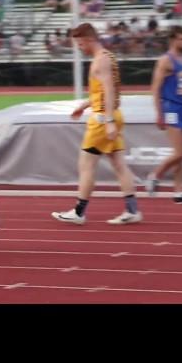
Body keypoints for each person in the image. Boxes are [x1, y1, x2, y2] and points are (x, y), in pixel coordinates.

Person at [51, 23, 142, 225]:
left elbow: (109, 90)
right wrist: (84, 106)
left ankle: (79, 212)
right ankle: (132, 210)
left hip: (102, 119)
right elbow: (101, 92)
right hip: (113, 115)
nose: (79, 48)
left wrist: (108, 120)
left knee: (86, 164)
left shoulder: (100, 61)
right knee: (119, 165)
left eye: (80, 43)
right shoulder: (108, 57)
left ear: (89, 39)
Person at [145, 26, 182, 204]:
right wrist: (159, 113)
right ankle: (155, 175)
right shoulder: (165, 61)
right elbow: (155, 89)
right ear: (173, 40)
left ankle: (179, 193)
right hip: (170, 109)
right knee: (178, 153)